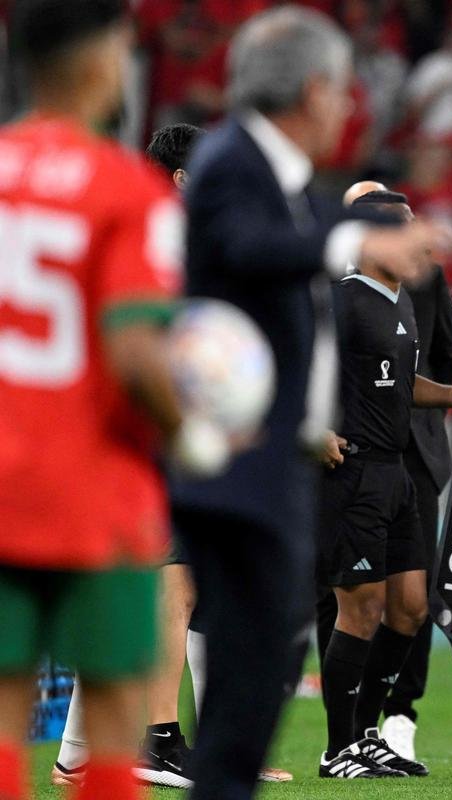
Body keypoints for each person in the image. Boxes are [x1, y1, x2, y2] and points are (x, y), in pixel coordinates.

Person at [170, 7, 437, 799]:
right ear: (316, 89)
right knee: (256, 661)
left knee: (272, 659)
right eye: (344, 91)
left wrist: (359, 230)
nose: (349, 107)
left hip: (274, 458)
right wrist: (352, 243)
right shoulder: (232, 163)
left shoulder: (274, 169)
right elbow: (248, 246)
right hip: (241, 455)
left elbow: (304, 221)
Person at [0, 2, 229, 799]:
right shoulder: (125, 191)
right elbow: (137, 354)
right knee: (113, 707)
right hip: (94, 482)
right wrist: (190, 433)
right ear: (102, 64)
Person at [312, 184, 452, 779]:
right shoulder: (340, 301)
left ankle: (368, 732)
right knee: (360, 608)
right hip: (352, 472)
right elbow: (291, 363)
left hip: (397, 471)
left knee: (408, 608)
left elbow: (403, 384)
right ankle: (337, 748)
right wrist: (314, 431)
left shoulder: (401, 300)